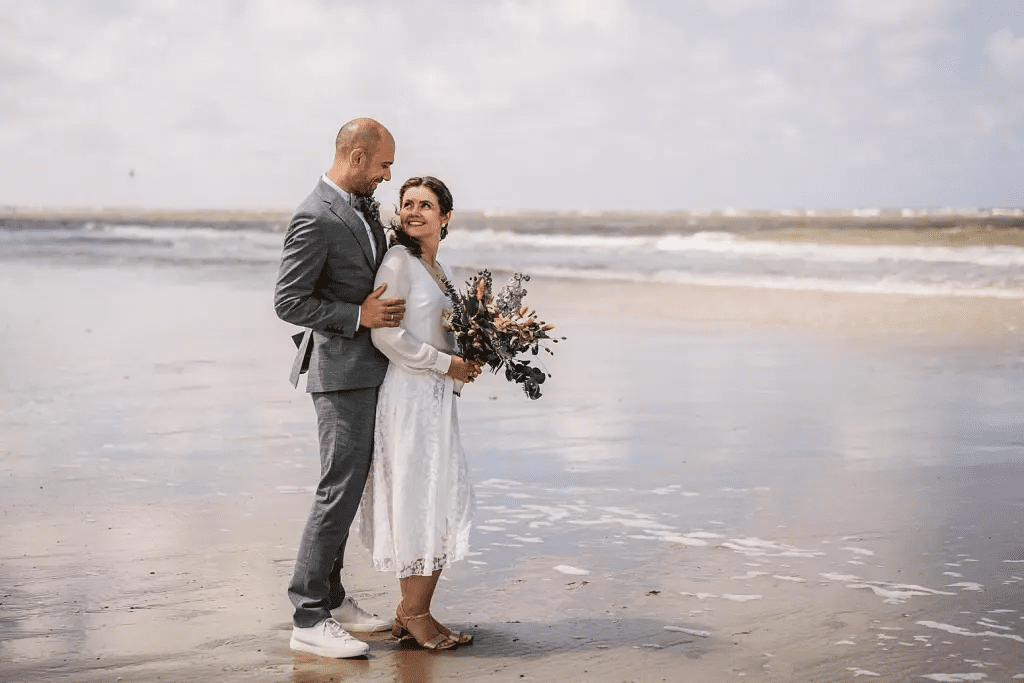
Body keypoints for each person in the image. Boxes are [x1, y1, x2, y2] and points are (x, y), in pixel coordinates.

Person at [274, 118, 407, 659]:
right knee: (337, 489)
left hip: (369, 370)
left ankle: (332, 597)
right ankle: (307, 615)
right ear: (356, 157)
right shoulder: (314, 215)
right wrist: (358, 315)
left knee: (349, 487)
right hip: (339, 373)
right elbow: (289, 301)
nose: (387, 176)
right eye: (383, 165)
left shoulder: (362, 208)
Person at [358, 176, 480, 650]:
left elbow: (440, 330)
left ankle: (413, 611)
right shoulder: (398, 260)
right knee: (417, 497)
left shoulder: (437, 268)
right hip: (409, 396)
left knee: (437, 495)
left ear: (445, 217)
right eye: (407, 203)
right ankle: (414, 614)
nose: (413, 211)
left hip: (436, 398)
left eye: (425, 205)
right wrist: (445, 364)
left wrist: (470, 358)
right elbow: (385, 334)